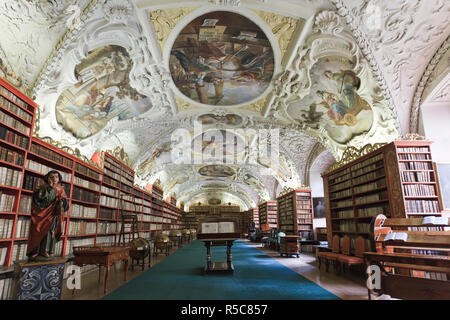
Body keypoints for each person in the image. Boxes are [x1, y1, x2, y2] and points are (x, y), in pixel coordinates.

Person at [26, 171, 69, 261]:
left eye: (56, 177)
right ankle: (35, 251)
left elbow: (65, 202)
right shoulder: (42, 187)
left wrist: (62, 202)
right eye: (51, 177)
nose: (54, 179)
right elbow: (39, 199)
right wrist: (49, 188)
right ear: (47, 178)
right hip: (41, 214)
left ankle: (46, 250)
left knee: (49, 232)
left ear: (59, 178)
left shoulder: (60, 189)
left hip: (53, 215)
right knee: (37, 230)